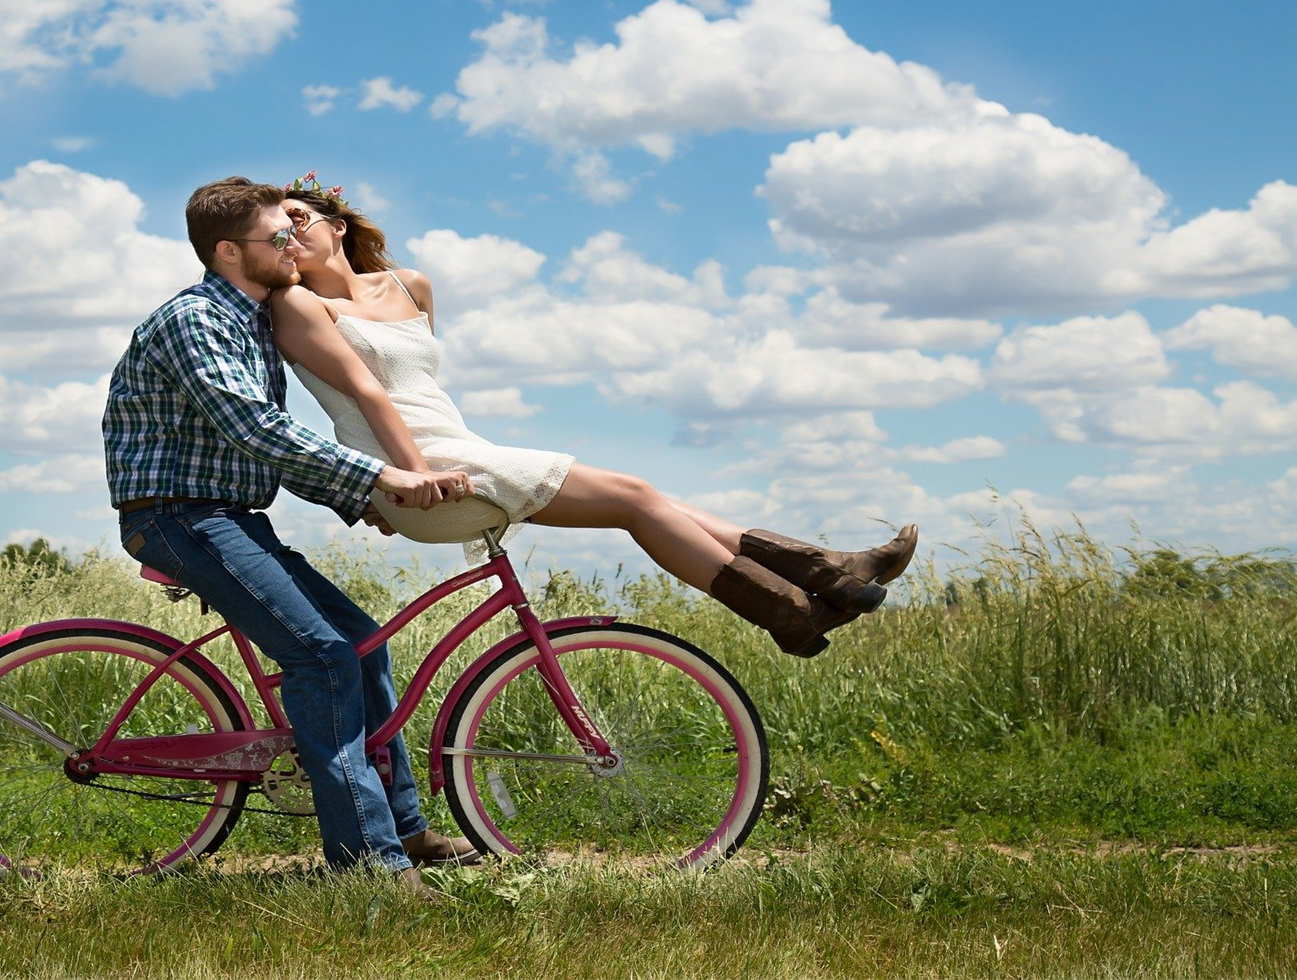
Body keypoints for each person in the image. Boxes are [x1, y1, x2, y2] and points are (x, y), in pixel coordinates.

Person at [269, 172, 918, 658]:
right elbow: (363, 400)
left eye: (298, 217)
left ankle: (820, 581)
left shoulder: (411, 286)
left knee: (645, 499)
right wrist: (389, 484)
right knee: (637, 499)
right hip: (428, 474)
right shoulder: (299, 307)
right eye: (275, 230)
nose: (288, 234)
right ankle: (797, 604)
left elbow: (422, 389)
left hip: (456, 450)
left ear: (338, 224)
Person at [102, 177, 480, 893]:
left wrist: (356, 494)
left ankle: (404, 827)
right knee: (324, 657)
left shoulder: (251, 322)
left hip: (229, 515)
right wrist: (378, 476)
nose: (292, 246)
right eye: (277, 237)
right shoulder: (197, 320)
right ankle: (369, 865)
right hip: (178, 517)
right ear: (228, 252)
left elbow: (256, 451)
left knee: (361, 643)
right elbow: (257, 429)